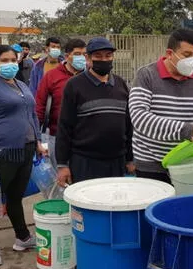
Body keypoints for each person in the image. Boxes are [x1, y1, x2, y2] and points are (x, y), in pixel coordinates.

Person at [0, 44, 46, 267]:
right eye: (4, 60)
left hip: (26, 149)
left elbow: (32, 114)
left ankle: (22, 237)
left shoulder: (21, 84)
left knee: (15, 196)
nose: (10, 64)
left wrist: (39, 141)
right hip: (1, 151)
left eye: (13, 59)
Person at [129, 29, 193, 183]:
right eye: (187, 55)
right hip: (151, 166)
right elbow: (139, 117)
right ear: (170, 53)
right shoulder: (146, 75)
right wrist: (184, 129)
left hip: (187, 164)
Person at [56, 37, 134, 186]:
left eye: (108, 56)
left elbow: (128, 125)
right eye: (98, 56)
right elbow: (64, 126)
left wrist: (130, 159)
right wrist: (62, 165)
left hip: (117, 161)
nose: (104, 60)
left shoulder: (121, 84)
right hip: (85, 162)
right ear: (88, 58)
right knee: (87, 206)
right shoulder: (74, 85)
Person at [36, 39, 87, 170]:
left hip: (86, 137)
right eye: (77, 54)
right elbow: (40, 107)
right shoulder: (52, 76)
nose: (81, 57)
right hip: (57, 136)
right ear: (66, 56)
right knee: (60, 178)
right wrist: (37, 138)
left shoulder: (90, 76)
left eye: (84, 54)